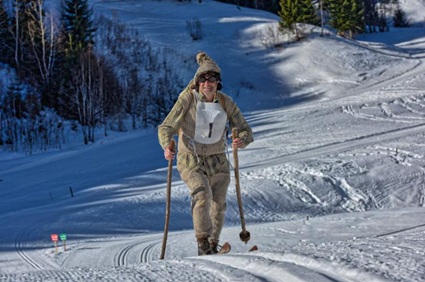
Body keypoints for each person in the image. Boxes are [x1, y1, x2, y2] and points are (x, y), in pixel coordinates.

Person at [158, 51, 253, 256]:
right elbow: (166, 127)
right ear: (197, 82)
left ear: (218, 83)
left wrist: (241, 140)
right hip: (191, 158)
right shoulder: (187, 100)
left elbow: (245, 129)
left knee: (218, 204)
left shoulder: (226, 103)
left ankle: (212, 243)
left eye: (212, 79)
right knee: (202, 194)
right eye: (203, 79)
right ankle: (202, 243)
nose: (207, 83)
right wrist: (167, 145)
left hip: (218, 159)